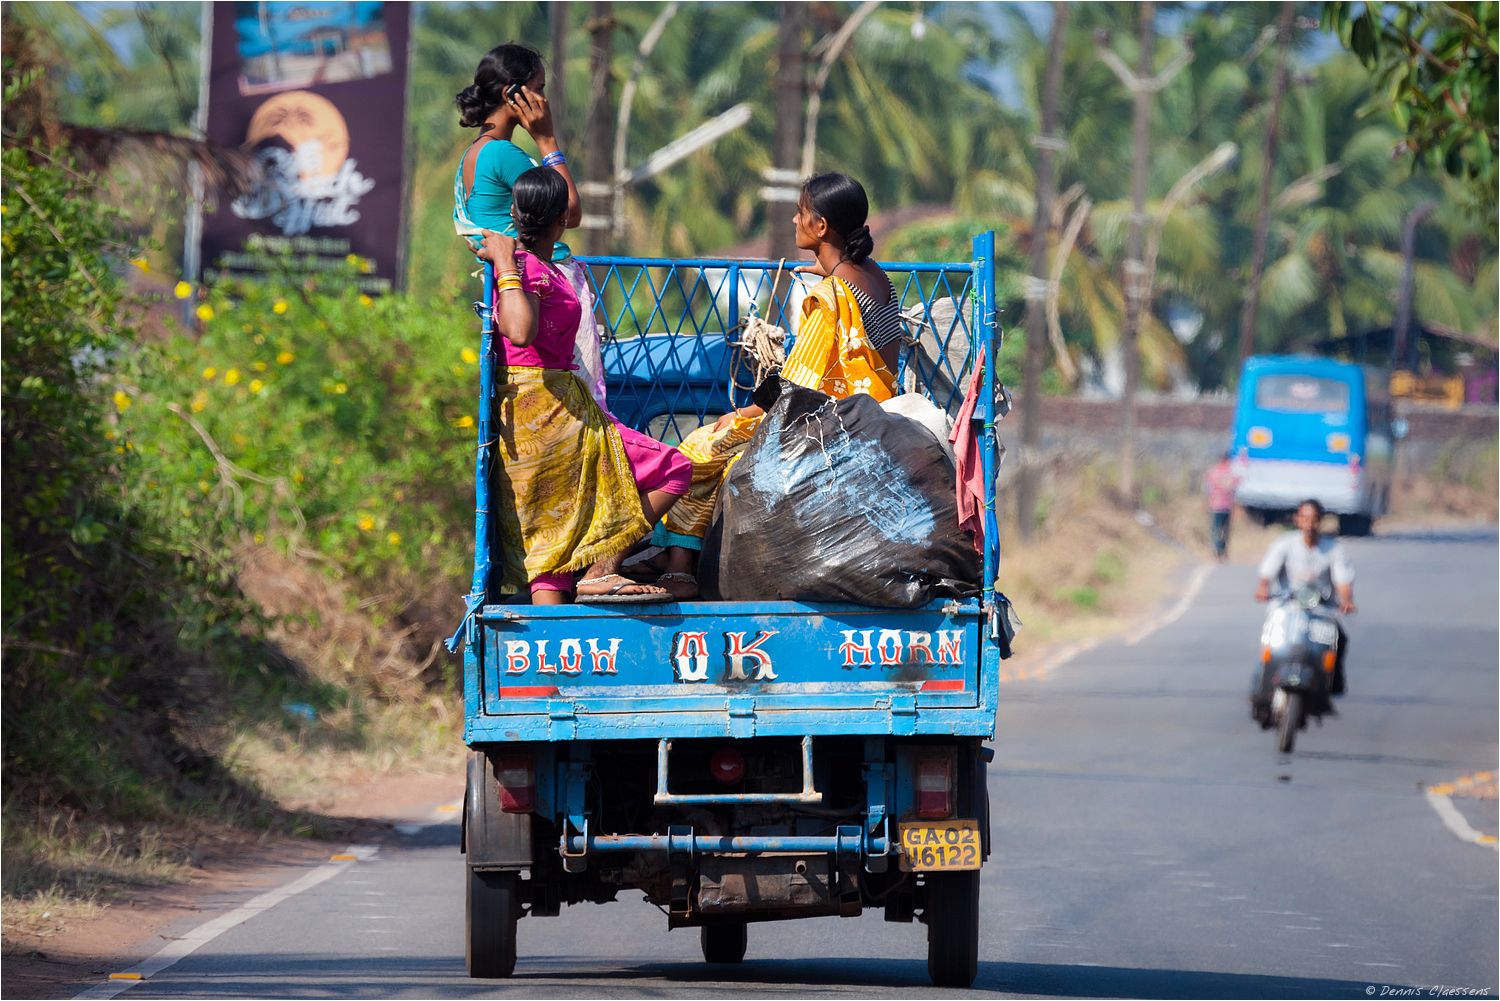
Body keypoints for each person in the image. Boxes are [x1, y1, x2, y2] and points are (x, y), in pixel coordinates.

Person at [652, 172, 907, 591]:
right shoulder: (877, 280)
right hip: (870, 417)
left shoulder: (828, 296)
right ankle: (674, 560)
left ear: (821, 227)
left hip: (824, 425)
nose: (793, 221)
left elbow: (794, 384)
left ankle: (675, 564)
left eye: (801, 213)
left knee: (698, 449)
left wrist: (742, 412)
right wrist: (828, 264)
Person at [481, 168, 692, 603]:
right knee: (675, 468)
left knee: (552, 557)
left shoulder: (541, 268)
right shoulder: (529, 270)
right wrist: (504, 265)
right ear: (560, 220)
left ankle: (547, 667)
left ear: (516, 215)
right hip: (549, 412)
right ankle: (602, 568)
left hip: (537, 415)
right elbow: (520, 332)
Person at [453, 43, 609, 413]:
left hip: (519, 291)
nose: (543, 99)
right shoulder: (501, 153)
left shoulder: (476, 153)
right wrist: (547, 140)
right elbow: (569, 212)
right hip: (538, 293)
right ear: (513, 94)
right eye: (538, 88)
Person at [1254, 498, 1356, 694]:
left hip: (1321, 610)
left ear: (1320, 521)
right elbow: (1267, 573)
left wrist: (1346, 601)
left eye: (1314, 519)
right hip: (1286, 607)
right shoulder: (1284, 544)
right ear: (1297, 520)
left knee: (1339, 638)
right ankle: (1262, 679)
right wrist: (1263, 588)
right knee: (1270, 641)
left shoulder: (1334, 549)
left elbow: (1343, 581)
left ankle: (1333, 681)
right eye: (1305, 518)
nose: (1309, 524)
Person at [1204, 451, 1240, 561]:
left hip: (1215, 506)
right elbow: (1235, 490)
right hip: (1226, 506)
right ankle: (1222, 551)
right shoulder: (1232, 474)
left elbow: (1208, 490)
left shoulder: (1212, 473)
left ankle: (1218, 551)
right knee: (1225, 530)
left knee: (1216, 530)